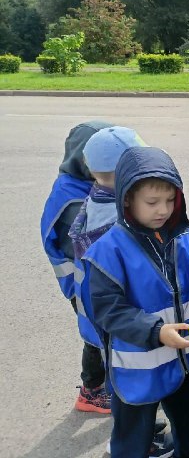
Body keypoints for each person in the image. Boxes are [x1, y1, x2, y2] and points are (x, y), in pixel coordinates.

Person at [86, 146, 189, 457]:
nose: (163, 210)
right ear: (127, 198)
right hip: (139, 370)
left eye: (171, 200)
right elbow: (108, 310)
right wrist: (155, 331)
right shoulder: (108, 252)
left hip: (184, 362)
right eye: (152, 202)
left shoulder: (187, 238)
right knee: (133, 439)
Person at [68, 127, 174, 457]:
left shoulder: (94, 202)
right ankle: (140, 442)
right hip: (120, 322)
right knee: (130, 387)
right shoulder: (117, 219)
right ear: (123, 173)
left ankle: (140, 432)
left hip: (99, 318)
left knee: (125, 381)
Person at [40, 120, 112, 413]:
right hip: (82, 284)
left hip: (88, 282)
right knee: (95, 335)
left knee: (98, 332)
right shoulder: (73, 200)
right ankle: (92, 391)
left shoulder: (80, 184)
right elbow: (91, 252)